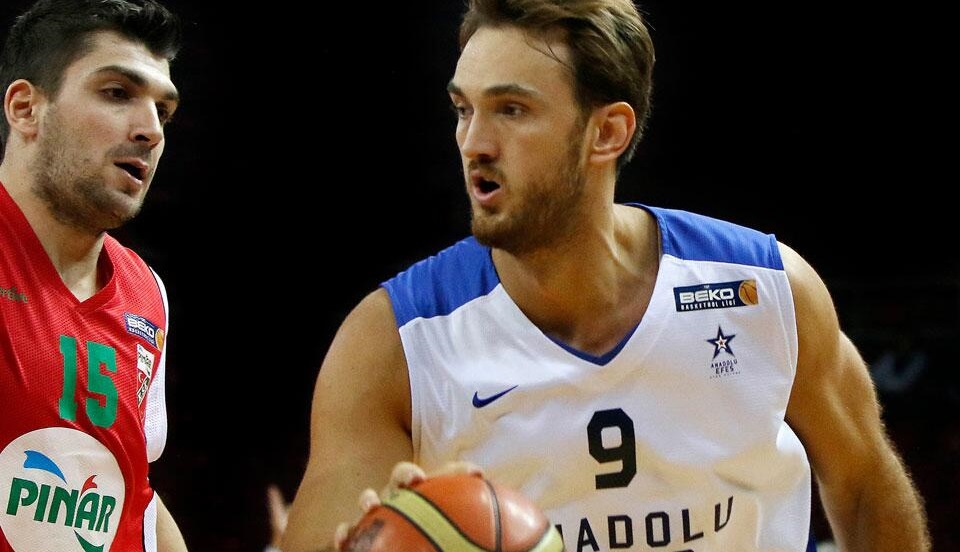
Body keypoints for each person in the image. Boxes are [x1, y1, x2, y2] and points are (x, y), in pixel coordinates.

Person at [281, 1, 932, 551]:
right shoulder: (392, 344)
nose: (474, 142)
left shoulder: (764, 289)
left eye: (512, 109)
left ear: (607, 133)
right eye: (463, 109)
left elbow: (864, 487)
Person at [0, 0, 188, 550]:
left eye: (163, 112)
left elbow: (136, 491)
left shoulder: (147, 293)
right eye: (117, 93)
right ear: (26, 109)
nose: (150, 130)